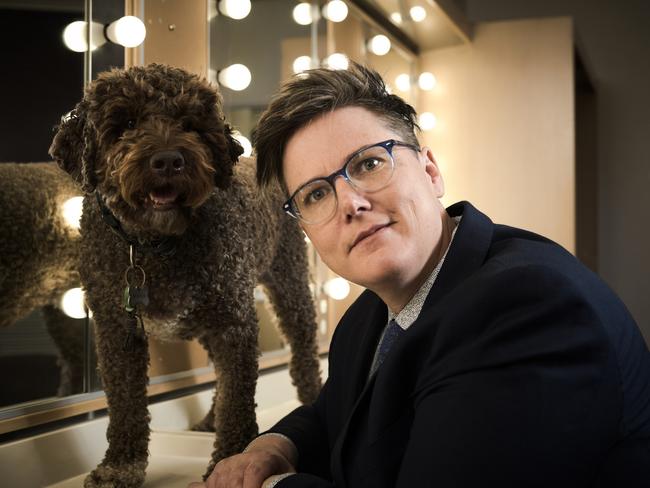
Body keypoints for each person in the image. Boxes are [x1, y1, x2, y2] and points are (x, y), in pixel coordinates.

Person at [190, 63, 650, 488]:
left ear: (430, 172)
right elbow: (337, 414)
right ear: (305, 229)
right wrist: (277, 444)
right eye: (315, 195)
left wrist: (272, 487)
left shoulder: (524, 304)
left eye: (368, 163)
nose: (350, 203)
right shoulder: (370, 316)